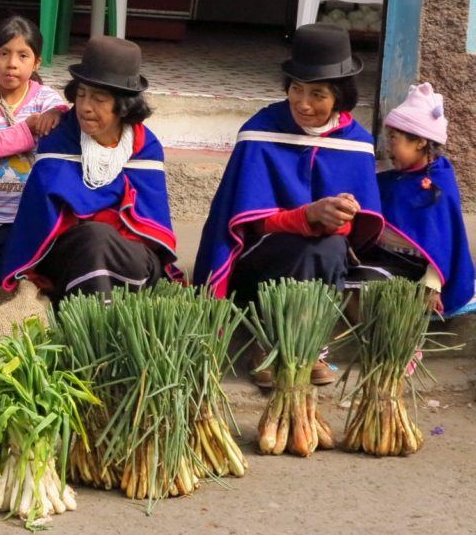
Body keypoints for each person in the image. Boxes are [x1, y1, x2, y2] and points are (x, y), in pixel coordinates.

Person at [194, 23, 384, 386]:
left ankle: (311, 344)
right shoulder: (262, 129)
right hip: (261, 260)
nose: (304, 103)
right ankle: (267, 340)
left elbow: (359, 231)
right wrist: (308, 215)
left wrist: (338, 218)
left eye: (318, 94)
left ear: (340, 98)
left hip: (321, 265)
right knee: (300, 247)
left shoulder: (356, 143)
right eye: (296, 89)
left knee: (328, 247)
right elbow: (246, 225)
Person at [0, 36, 182, 302]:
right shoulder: (60, 137)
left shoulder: (146, 147)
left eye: (99, 99)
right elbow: (40, 216)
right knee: (95, 239)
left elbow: (152, 225)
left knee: (100, 237)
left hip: (129, 256)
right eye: (81, 94)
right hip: (71, 256)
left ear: (123, 105)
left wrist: (103, 226)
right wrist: (104, 223)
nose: (85, 107)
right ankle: (99, 324)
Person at [0, 16, 67, 290]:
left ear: (36, 62)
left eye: (22, 55)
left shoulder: (47, 100)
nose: (12, 63)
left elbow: (66, 117)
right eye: (3, 53)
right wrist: (27, 130)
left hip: (25, 217)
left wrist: (56, 114)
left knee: (7, 281)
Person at [354, 83, 475, 315]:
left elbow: (444, 240)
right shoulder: (395, 179)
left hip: (416, 269)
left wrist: (432, 285)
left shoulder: (439, 183)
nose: (388, 146)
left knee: (362, 286)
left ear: (420, 141)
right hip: (385, 257)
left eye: (394, 138)